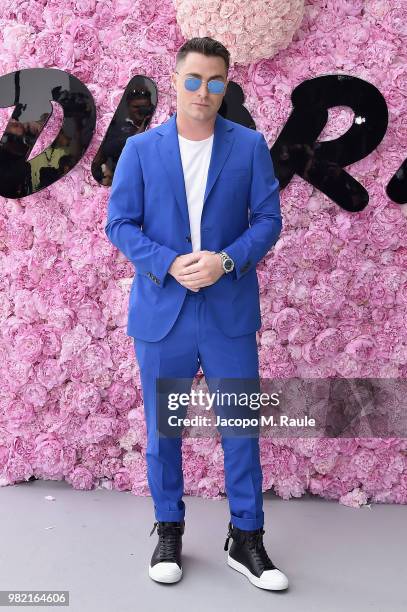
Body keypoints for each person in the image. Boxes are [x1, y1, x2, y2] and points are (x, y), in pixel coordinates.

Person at [105, 36, 288, 591]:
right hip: (164, 311)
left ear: (225, 86)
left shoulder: (250, 145)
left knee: (241, 426)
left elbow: (267, 219)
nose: (203, 92)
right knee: (166, 430)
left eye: (214, 82)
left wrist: (227, 260)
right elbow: (120, 224)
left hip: (229, 310)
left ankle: (247, 537)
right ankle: (168, 528)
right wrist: (170, 262)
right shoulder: (141, 149)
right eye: (193, 80)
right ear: (177, 80)